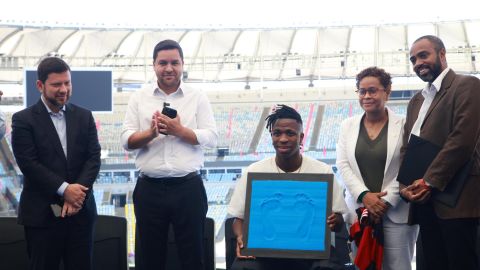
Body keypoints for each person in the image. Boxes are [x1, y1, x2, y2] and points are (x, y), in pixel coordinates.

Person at [121, 39, 218, 270]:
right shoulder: (139, 97)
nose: (169, 68)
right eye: (162, 62)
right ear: (153, 65)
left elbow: (212, 138)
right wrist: (151, 133)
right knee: (148, 259)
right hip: (149, 189)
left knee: (193, 256)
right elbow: (126, 140)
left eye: (174, 62)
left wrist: (180, 131)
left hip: (188, 189)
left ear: (182, 64)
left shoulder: (197, 96)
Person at [228, 104, 348, 270]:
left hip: (311, 251)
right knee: (243, 267)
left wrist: (335, 220)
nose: (283, 139)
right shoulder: (253, 172)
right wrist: (241, 237)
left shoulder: (323, 171)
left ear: (301, 137)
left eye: (290, 133)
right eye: (277, 133)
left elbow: (340, 222)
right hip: (264, 251)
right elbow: (238, 219)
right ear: (271, 136)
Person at [11, 57, 101, 270]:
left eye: (67, 83)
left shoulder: (84, 116)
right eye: (56, 84)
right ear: (40, 86)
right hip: (42, 217)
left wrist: (77, 194)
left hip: (80, 214)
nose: (64, 89)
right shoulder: (23, 120)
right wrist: (64, 190)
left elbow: (93, 158)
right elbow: (29, 163)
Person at [400, 35, 480, 270]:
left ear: (442, 54)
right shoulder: (415, 101)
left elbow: (462, 141)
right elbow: (408, 147)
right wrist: (406, 187)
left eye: (423, 55)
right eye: (413, 59)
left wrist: (429, 181)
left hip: (458, 200)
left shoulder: (468, 85)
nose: (417, 63)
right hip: (424, 203)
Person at [336, 67, 418, 270]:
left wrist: (385, 201)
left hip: (396, 211)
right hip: (359, 212)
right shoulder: (347, 125)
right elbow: (343, 165)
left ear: (387, 91)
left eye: (372, 90)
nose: (366, 96)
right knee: (363, 265)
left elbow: (410, 166)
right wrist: (364, 196)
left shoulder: (406, 124)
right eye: (362, 91)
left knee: (399, 267)